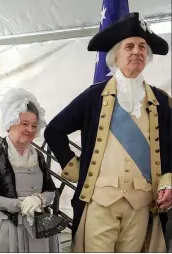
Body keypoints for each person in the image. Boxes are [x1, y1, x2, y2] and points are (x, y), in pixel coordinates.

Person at [44, 12, 172, 252]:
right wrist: (76, 169)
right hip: (100, 203)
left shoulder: (162, 102)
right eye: (130, 46)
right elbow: (54, 130)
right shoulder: (94, 96)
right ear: (116, 55)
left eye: (143, 47)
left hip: (141, 205)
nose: (137, 51)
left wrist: (168, 180)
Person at [0, 88, 60, 252]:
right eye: (25, 124)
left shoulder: (37, 156)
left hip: (40, 228)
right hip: (8, 230)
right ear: (11, 122)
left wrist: (39, 200)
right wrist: (17, 204)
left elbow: (51, 190)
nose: (30, 129)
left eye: (34, 125)